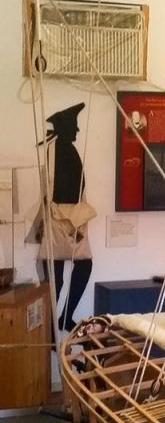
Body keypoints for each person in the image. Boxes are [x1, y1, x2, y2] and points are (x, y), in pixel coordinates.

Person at [31, 102, 96, 332]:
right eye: (74, 126)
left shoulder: (61, 150)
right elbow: (67, 189)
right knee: (60, 277)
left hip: (65, 221)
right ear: (66, 128)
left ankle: (59, 321)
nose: (77, 130)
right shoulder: (62, 151)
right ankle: (56, 323)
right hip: (63, 221)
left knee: (62, 275)